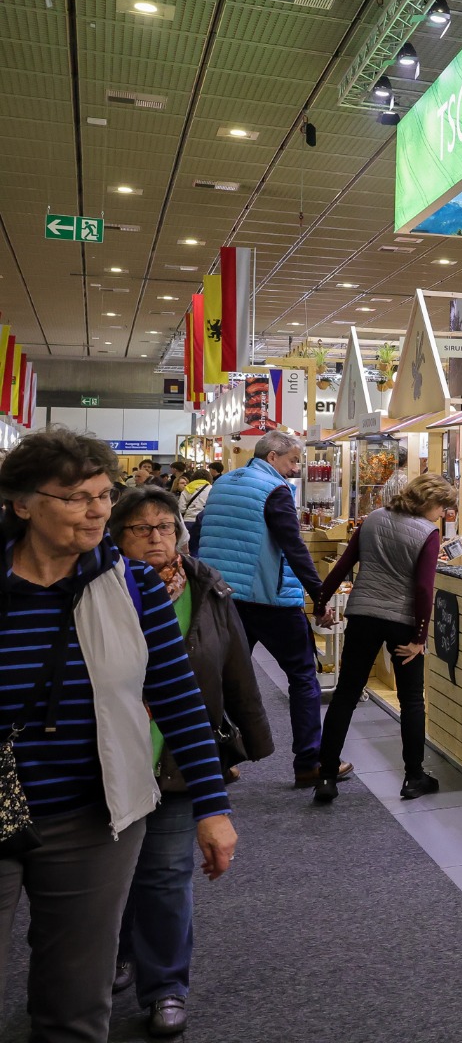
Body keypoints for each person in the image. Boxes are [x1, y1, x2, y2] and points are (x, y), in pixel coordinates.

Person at [0, 428, 237, 1043]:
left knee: (76, 1001)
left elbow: (180, 700)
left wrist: (212, 808)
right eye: (76, 497)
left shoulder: (132, 586)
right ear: (22, 504)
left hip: (94, 817)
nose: (98, 510)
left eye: (104, 495)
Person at [108, 486, 272, 1039]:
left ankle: (166, 987)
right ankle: (117, 954)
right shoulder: (100, 590)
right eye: (141, 528)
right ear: (118, 537)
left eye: (165, 527)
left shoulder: (206, 586)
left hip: (180, 758)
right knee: (113, 875)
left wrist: (247, 742)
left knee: (167, 876)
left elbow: (235, 665)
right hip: (113, 760)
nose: (156, 537)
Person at [196, 432, 342, 787]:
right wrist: (320, 597)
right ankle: (309, 762)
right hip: (270, 600)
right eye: (292, 461)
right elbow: (293, 547)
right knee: (303, 677)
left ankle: (216, 762)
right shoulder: (275, 490)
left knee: (220, 679)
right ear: (273, 456)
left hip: (222, 597)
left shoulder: (223, 483)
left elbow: (203, 533)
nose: (295, 469)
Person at [311, 474, 459, 804]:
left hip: (363, 615)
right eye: (442, 507)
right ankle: (413, 777)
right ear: (429, 502)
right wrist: (420, 637)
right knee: (412, 701)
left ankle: (326, 776)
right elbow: (424, 589)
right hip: (403, 623)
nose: (442, 514)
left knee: (346, 695)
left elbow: (343, 566)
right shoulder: (427, 533)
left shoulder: (374, 519)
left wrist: (320, 605)